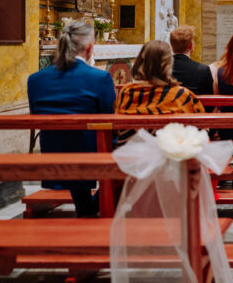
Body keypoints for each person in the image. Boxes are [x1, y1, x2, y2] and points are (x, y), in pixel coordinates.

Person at [27, 20, 115, 217]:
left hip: (52, 147)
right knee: (132, 148)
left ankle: (87, 208)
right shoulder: (99, 78)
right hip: (89, 150)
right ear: (90, 48)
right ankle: (90, 208)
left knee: (77, 137)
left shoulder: (36, 79)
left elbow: (36, 113)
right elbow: (110, 120)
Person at [115, 40, 205, 115]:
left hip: (132, 137)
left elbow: (116, 125)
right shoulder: (180, 95)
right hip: (168, 136)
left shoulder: (126, 92)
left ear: (140, 62)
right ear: (169, 64)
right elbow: (201, 127)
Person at [170, 25, 214, 96]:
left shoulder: (161, 68)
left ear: (172, 45)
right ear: (191, 46)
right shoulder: (203, 70)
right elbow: (210, 104)